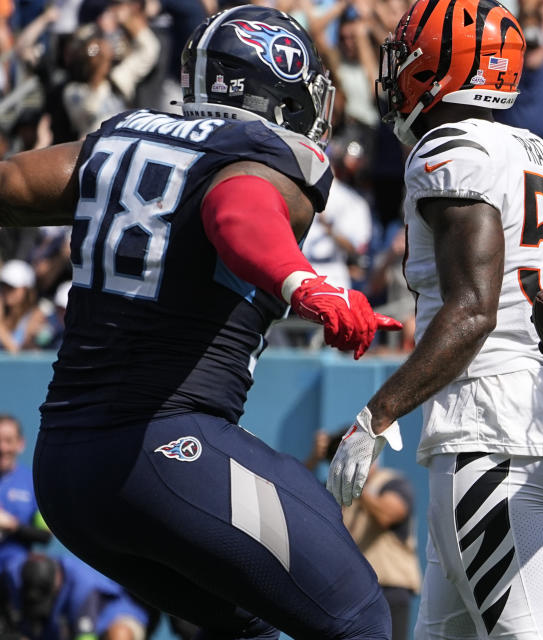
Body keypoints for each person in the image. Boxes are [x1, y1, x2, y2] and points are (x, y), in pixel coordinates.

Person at [0, 5, 402, 639]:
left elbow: (13, 183)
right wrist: (306, 283)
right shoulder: (257, 157)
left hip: (67, 475)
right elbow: (235, 207)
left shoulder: (123, 136)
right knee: (359, 615)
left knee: (251, 628)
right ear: (279, 84)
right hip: (164, 452)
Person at [324, 2, 543, 639]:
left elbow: (471, 311)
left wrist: (376, 415)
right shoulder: (530, 146)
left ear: (441, 66)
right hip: (536, 407)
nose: (395, 69)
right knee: (442, 633)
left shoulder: (449, 148)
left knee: (516, 633)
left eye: (406, 52)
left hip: (492, 425)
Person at [305, 428, 421, 640]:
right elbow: (297, 491)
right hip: (351, 592)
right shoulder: (334, 490)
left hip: (389, 590)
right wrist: (315, 459)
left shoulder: (392, 482)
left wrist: (355, 483)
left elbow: (387, 515)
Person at [0, 552, 150, 640]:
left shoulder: (83, 585)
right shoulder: (14, 574)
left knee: (119, 634)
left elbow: (85, 637)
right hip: (51, 630)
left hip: (107, 620)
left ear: (57, 581)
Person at [0, 414, 50, 571]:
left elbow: (45, 535)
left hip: (15, 573)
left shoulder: (31, 483)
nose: (2, 448)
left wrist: (12, 525)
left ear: (20, 444)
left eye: (8, 441)